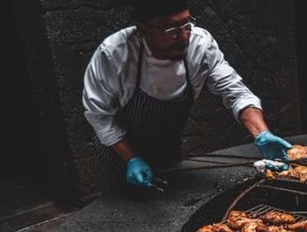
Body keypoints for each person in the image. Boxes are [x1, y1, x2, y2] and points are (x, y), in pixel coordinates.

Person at [82, 0, 291, 192]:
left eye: (186, 24)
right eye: (170, 29)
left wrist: (261, 134)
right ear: (143, 28)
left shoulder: (200, 45)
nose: (183, 36)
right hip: (119, 156)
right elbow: (100, 116)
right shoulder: (113, 54)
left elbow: (234, 91)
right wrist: (132, 158)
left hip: (167, 148)